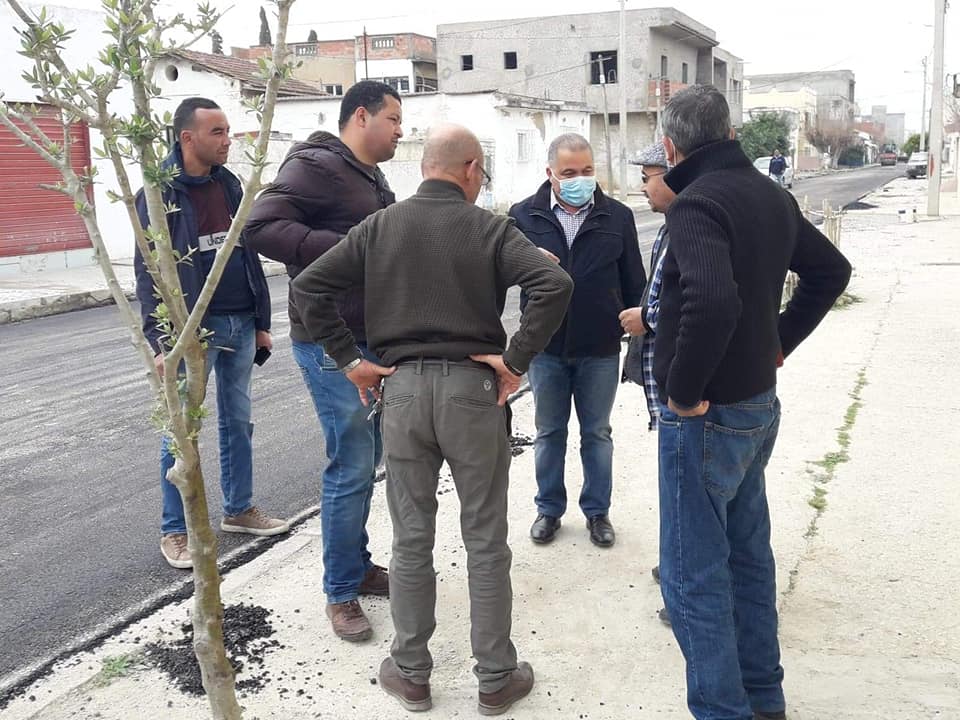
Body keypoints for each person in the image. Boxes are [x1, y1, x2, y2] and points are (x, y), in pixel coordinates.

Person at [289, 124, 573, 716]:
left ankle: (412, 673)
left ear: (426, 167)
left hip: (402, 394)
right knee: (485, 539)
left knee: (412, 538)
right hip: (473, 393)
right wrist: (515, 360)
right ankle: (495, 678)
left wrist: (351, 362)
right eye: (481, 171)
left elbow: (310, 288)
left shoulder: (379, 227)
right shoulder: (491, 228)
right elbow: (553, 283)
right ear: (469, 168)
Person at [654, 85, 851, 720]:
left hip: (707, 416)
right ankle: (763, 696)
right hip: (755, 406)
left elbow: (713, 301)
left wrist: (683, 392)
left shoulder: (696, 203)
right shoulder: (770, 194)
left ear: (671, 146)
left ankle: (724, 708)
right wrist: (777, 342)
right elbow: (831, 272)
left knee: (692, 576)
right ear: (731, 133)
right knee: (746, 558)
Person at [244, 80, 402, 642]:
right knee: (351, 464)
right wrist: (345, 250)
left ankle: (356, 566)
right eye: (393, 119)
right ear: (361, 116)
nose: (400, 131)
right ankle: (340, 592)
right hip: (330, 341)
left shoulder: (369, 176)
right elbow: (260, 226)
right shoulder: (316, 165)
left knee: (366, 460)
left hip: (370, 336)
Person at [134, 97, 288, 570]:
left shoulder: (229, 184)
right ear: (187, 138)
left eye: (227, 131)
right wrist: (163, 342)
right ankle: (175, 530)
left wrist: (261, 322)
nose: (227, 140)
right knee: (181, 434)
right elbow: (148, 273)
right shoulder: (158, 195)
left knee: (238, 421)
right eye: (217, 132)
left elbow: (246, 252)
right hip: (191, 333)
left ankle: (239, 509)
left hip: (240, 321)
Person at [509, 133, 646, 548]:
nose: (580, 179)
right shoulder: (523, 216)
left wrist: (636, 329)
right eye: (569, 173)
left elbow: (634, 281)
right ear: (550, 173)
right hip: (545, 349)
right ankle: (549, 509)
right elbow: (504, 277)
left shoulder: (617, 216)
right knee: (549, 432)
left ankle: (597, 512)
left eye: (587, 171)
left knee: (597, 433)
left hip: (599, 348)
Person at [619, 140, 677, 628]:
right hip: (665, 387)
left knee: (687, 491)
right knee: (676, 486)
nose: (643, 186)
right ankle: (677, 564)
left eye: (649, 176)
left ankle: (685, 587)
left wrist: (648, 318)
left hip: (685, 392)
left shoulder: (694, 227)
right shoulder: (666, 229)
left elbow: (703, 301)